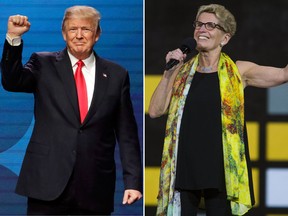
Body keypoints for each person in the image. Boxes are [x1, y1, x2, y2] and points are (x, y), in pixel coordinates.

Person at [1, 5, 142, 215]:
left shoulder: (117, 74)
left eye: (85, 29)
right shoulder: (43, 63)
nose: (78, 35)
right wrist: (13, 37)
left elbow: (127, 133)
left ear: (97, 34)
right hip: (47, 183)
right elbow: (12, 82)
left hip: (95, 186)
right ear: (64, 34)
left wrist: (133, 182)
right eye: (72, 29)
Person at [149, 4, 288, 216]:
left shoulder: (239, 70)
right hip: (184, 167)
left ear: (225, 38)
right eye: (199, 24)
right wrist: (169, 72)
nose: (202, 29)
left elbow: (283, 74)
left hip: (221, 170)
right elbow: (155, 111)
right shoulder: (181, 71)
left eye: (211, 25)